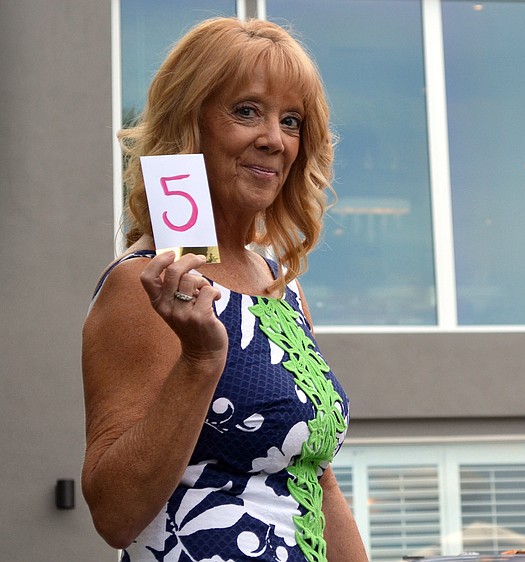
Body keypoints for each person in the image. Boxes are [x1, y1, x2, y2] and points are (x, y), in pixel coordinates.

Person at [81, 17, 368, 562]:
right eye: (246, 111)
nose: (273, 139)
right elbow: (115, 516)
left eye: (291, 120)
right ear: (191, 123)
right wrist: (200, 358)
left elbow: (318, 485)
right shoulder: (140, 285)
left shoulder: (279, 284)